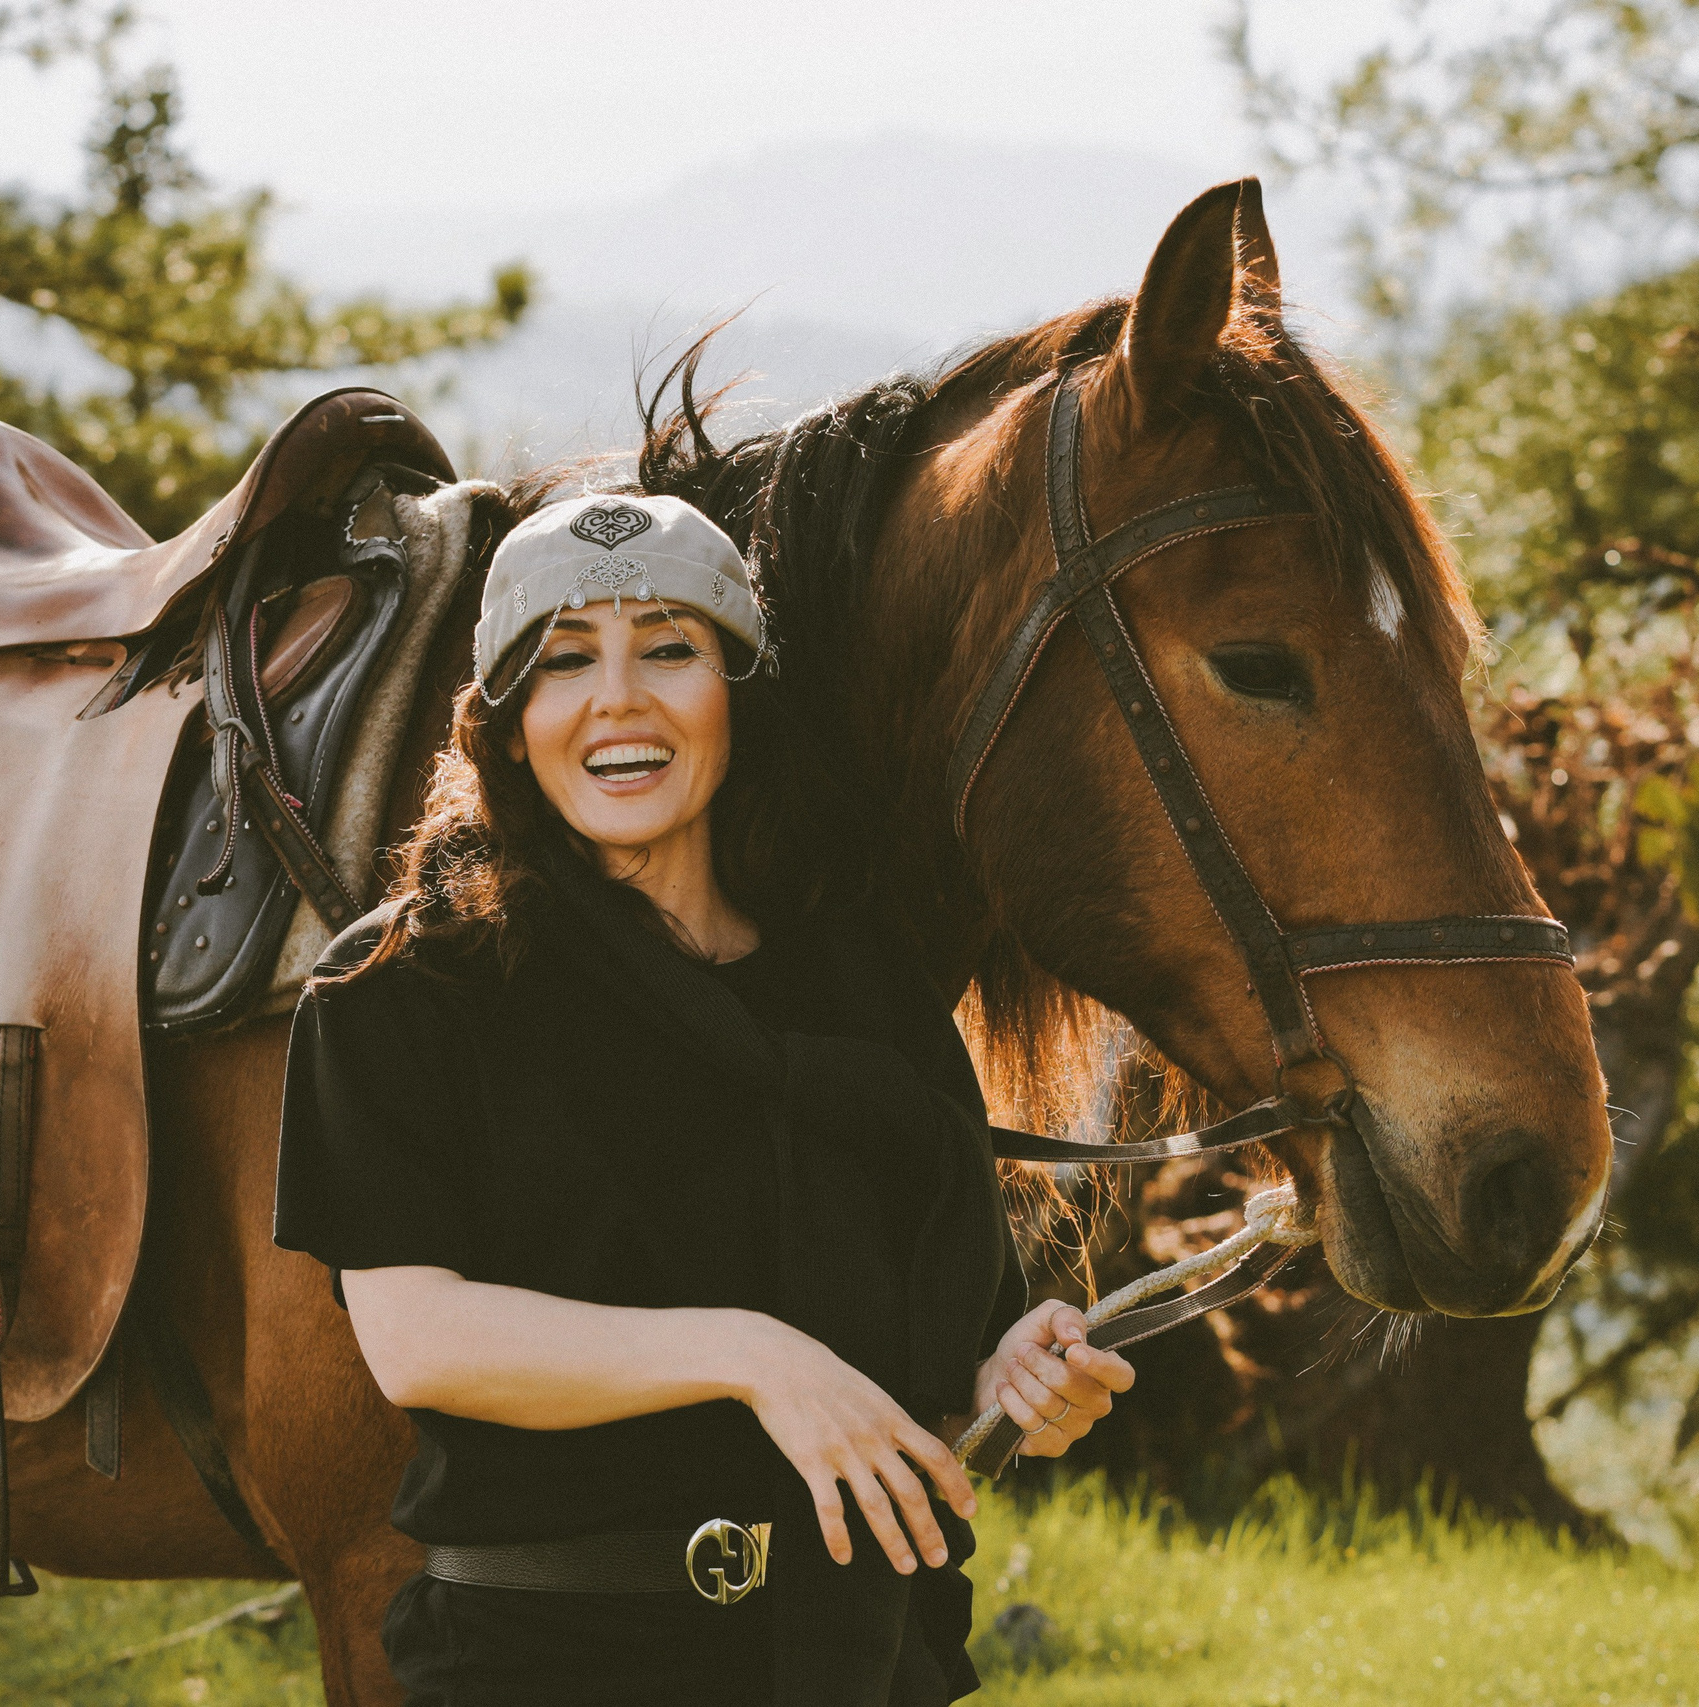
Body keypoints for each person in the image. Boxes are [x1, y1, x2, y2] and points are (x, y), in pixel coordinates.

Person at [274, 491, 1134, 1706]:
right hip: (542, 1667)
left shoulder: (860, 976)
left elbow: (950, 1347)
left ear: (735, 698)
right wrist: (748, 1357)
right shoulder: (404, 988)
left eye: (668, 649)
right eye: (564, 660)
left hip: (864, 1658)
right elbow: (421, 1340)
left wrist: (1016, 1381)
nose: (618, 697)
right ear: (511, 729)